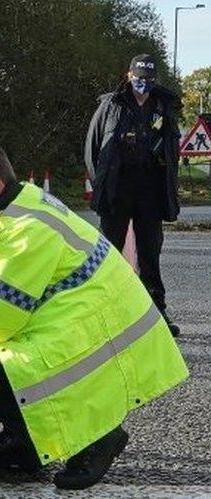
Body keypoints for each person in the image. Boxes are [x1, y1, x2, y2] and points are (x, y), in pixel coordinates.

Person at [0, 140, 188, 489]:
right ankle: (24, 444)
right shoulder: (18, 208)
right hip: (87, 319)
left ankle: (98, 436)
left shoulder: (23, 231)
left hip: (94, 331)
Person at [85, 54, 182, 336]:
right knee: (109, 253)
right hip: (118, 188)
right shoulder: (111, 105)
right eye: (139, 78)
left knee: (150, 252)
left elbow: (171, 151)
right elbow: (93, 148)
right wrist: (101, 184)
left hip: (150, 190)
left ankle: (157, 312)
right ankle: (104, 311)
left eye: (149, 80)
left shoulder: (163, 106)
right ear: (129, 75)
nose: (143, 84)